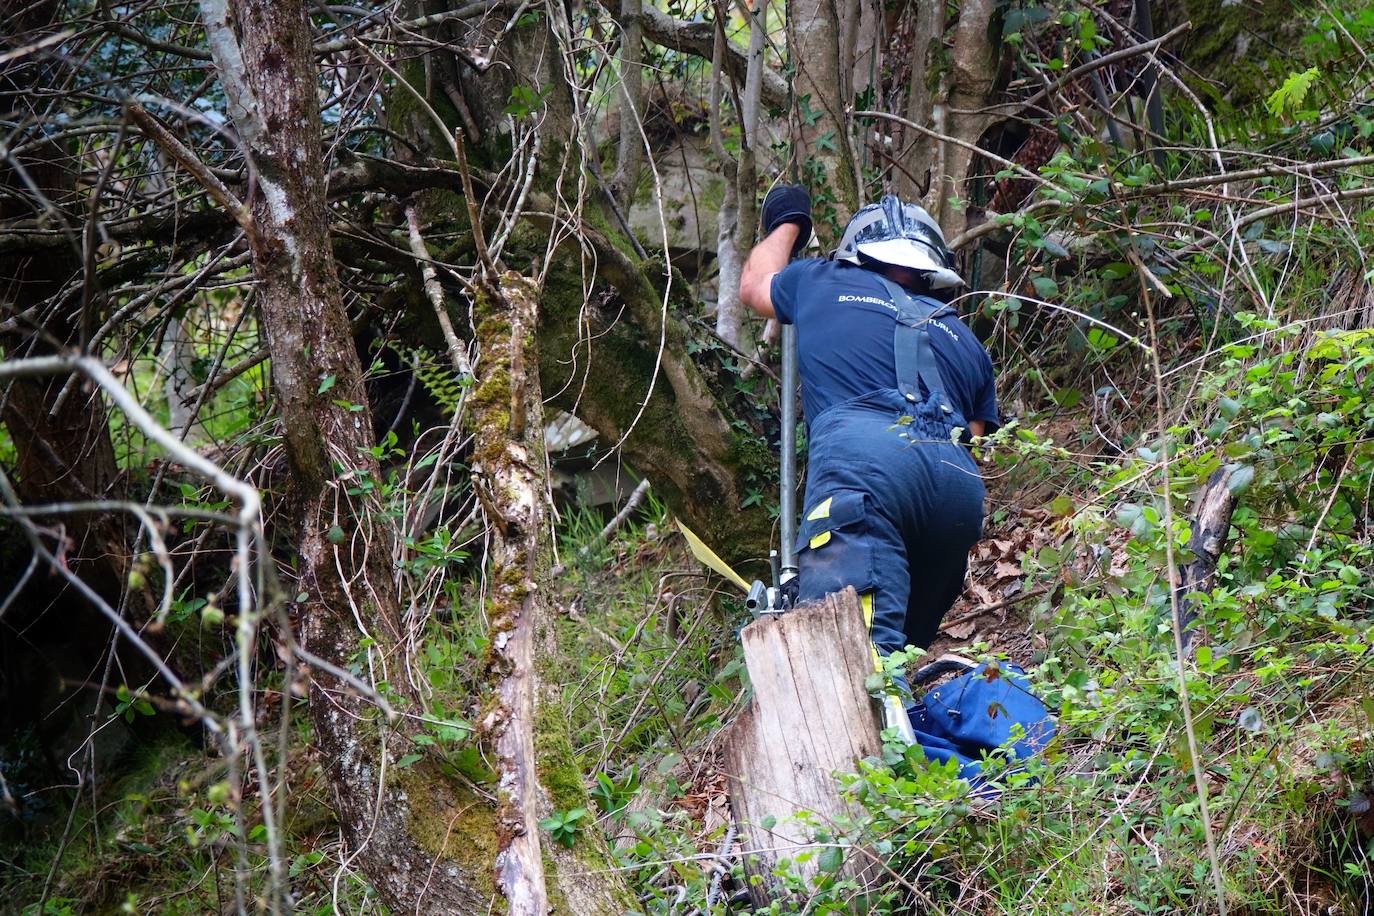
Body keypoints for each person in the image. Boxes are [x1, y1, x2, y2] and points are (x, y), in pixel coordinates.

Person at [737, 185, 1000, 667]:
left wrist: (788, 220)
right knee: (893, 662)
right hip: (957, 493)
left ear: (856, 255)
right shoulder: (963, 336)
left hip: (863, 472)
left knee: (855, 666)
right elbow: (974, 440)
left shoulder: (820, 280)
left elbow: (755, 283)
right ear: (931, 269)